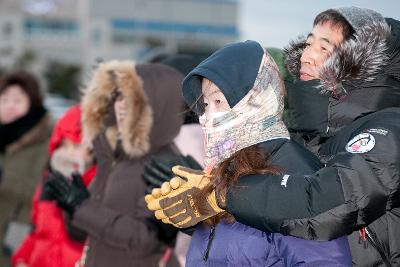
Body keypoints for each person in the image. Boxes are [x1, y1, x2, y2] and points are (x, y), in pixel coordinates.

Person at [146, 7, 400, 266]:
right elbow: (270, 226)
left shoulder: (390, 129)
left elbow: (327, 201)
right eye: (308, 43)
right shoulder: (298, 135)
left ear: (366, 64)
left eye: (324, 49)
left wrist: (222, 194)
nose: (307, 56)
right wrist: (202, 214)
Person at [148, 40, 352, 266]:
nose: (207, 116)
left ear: (256, 100)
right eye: (205, 105)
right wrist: (196, 220)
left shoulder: (295, 174)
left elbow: (323, 260)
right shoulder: (226, 170)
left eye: (218, 101)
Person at [44, 61, 184, 267]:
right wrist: (70, 203)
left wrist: (83, 207)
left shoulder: (167, 163)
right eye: (118, 95)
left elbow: (145, 240)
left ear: (157, 105)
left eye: (134, 98)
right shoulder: (114, 157)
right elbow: (84, 233)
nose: (122, 104)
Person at [11, 105, 96, 267]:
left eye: (77, 147)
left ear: (93, 152)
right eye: (64, 145)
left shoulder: (98, 187)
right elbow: (37, 231)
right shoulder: (48, 182)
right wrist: (22, 258)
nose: (69, 154)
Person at [0, 71, 52, 266]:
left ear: (33, 102)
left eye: (17, 100)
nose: (9, 106)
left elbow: (41, 191)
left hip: (20, 230)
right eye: (4, 99)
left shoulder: (46, 141)